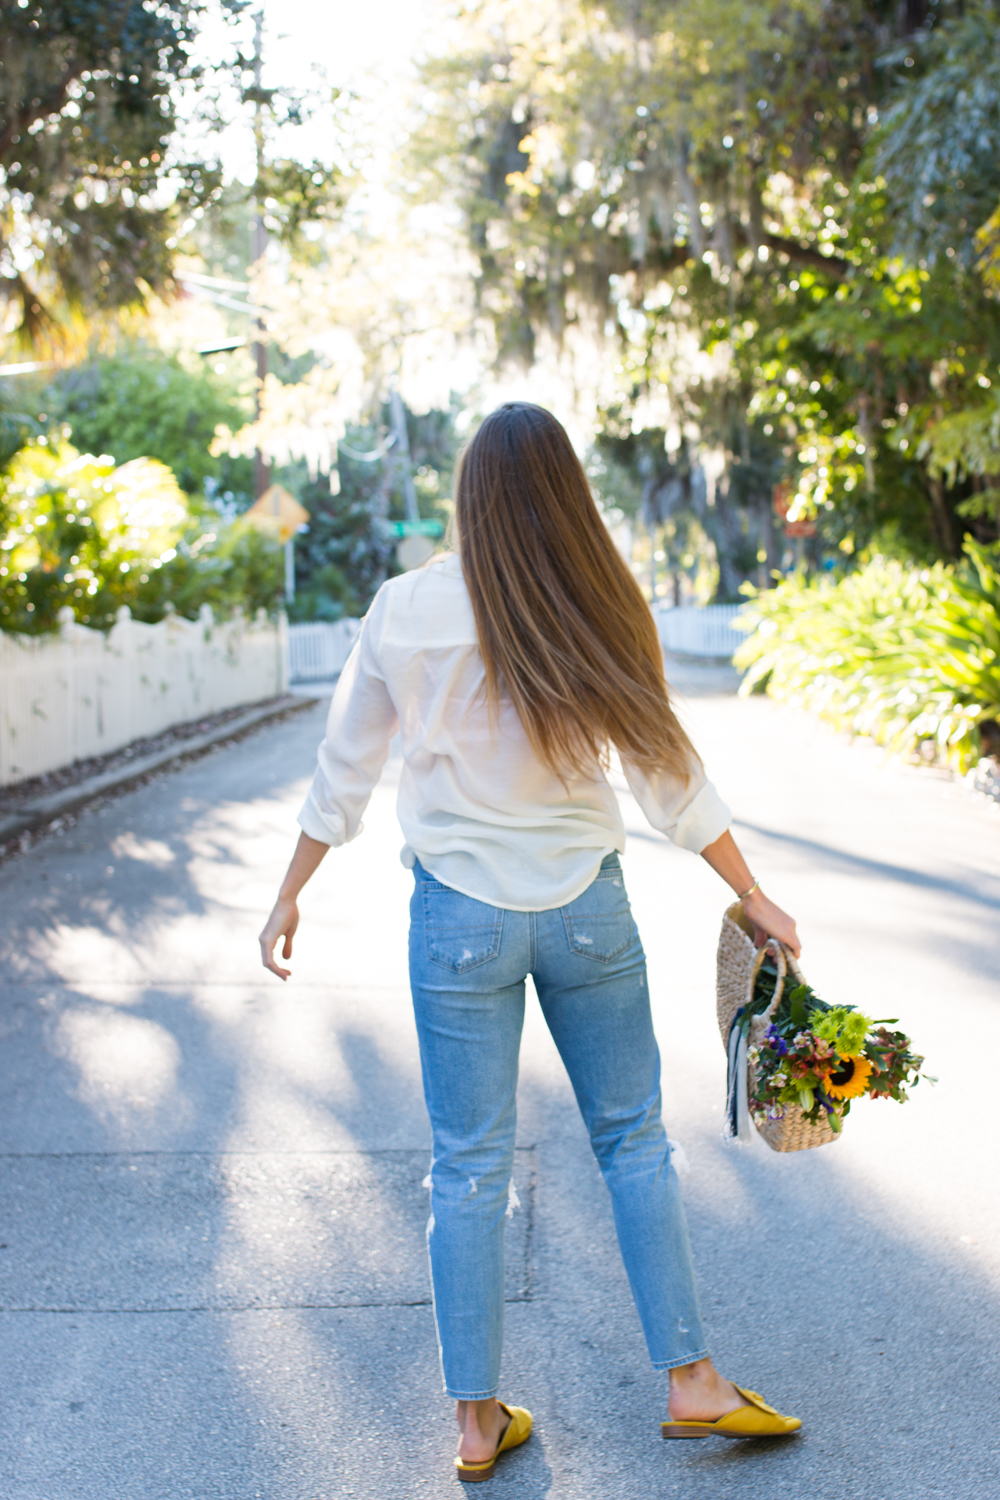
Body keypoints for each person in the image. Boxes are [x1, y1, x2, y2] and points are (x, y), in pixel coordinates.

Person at [259, 401, 802, 1481]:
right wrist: (752, 895)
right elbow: (666, 775)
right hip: (585, 910)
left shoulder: (403, 608)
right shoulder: (594, 599)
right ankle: (693, 1385)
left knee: (465, 1167)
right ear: (565, 492)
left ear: (467, 493)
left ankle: (474, 1423)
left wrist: (289, 894)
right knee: (633, 1142)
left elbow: (344, 772)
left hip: (455, 918)